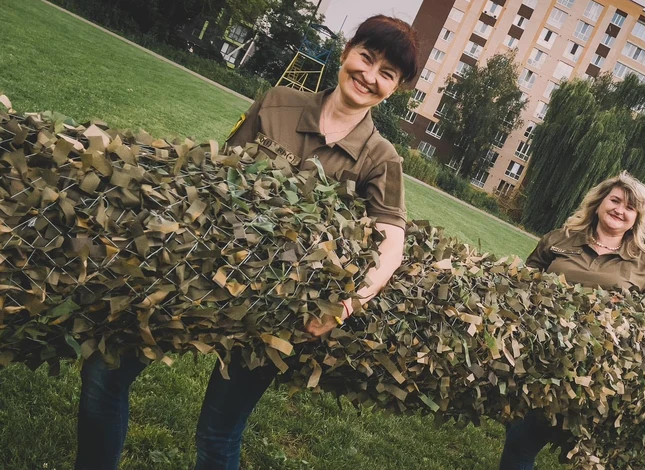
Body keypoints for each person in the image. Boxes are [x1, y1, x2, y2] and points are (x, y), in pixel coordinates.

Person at [74, 15, 419, 470]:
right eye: (366, 57)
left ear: (396, 88)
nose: (370, 76)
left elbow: (390, 241)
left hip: (274, 314)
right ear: (347, 51)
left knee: (218, 435)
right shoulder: (277, 103)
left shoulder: (381, 158)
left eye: (387, 74)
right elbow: (218, 179)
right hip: (195, 277)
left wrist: (345, 303)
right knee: (105, 377)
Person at [499, 172, 645, 470]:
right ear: (599, 203)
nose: (620, 210)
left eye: (630, 207)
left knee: (524, 439)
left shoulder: (644, 261)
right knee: (516, 422)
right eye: (615, 200)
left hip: (584, 368)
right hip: (532, 350)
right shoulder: (561, 238)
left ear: (636, 218)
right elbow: (526, 278)